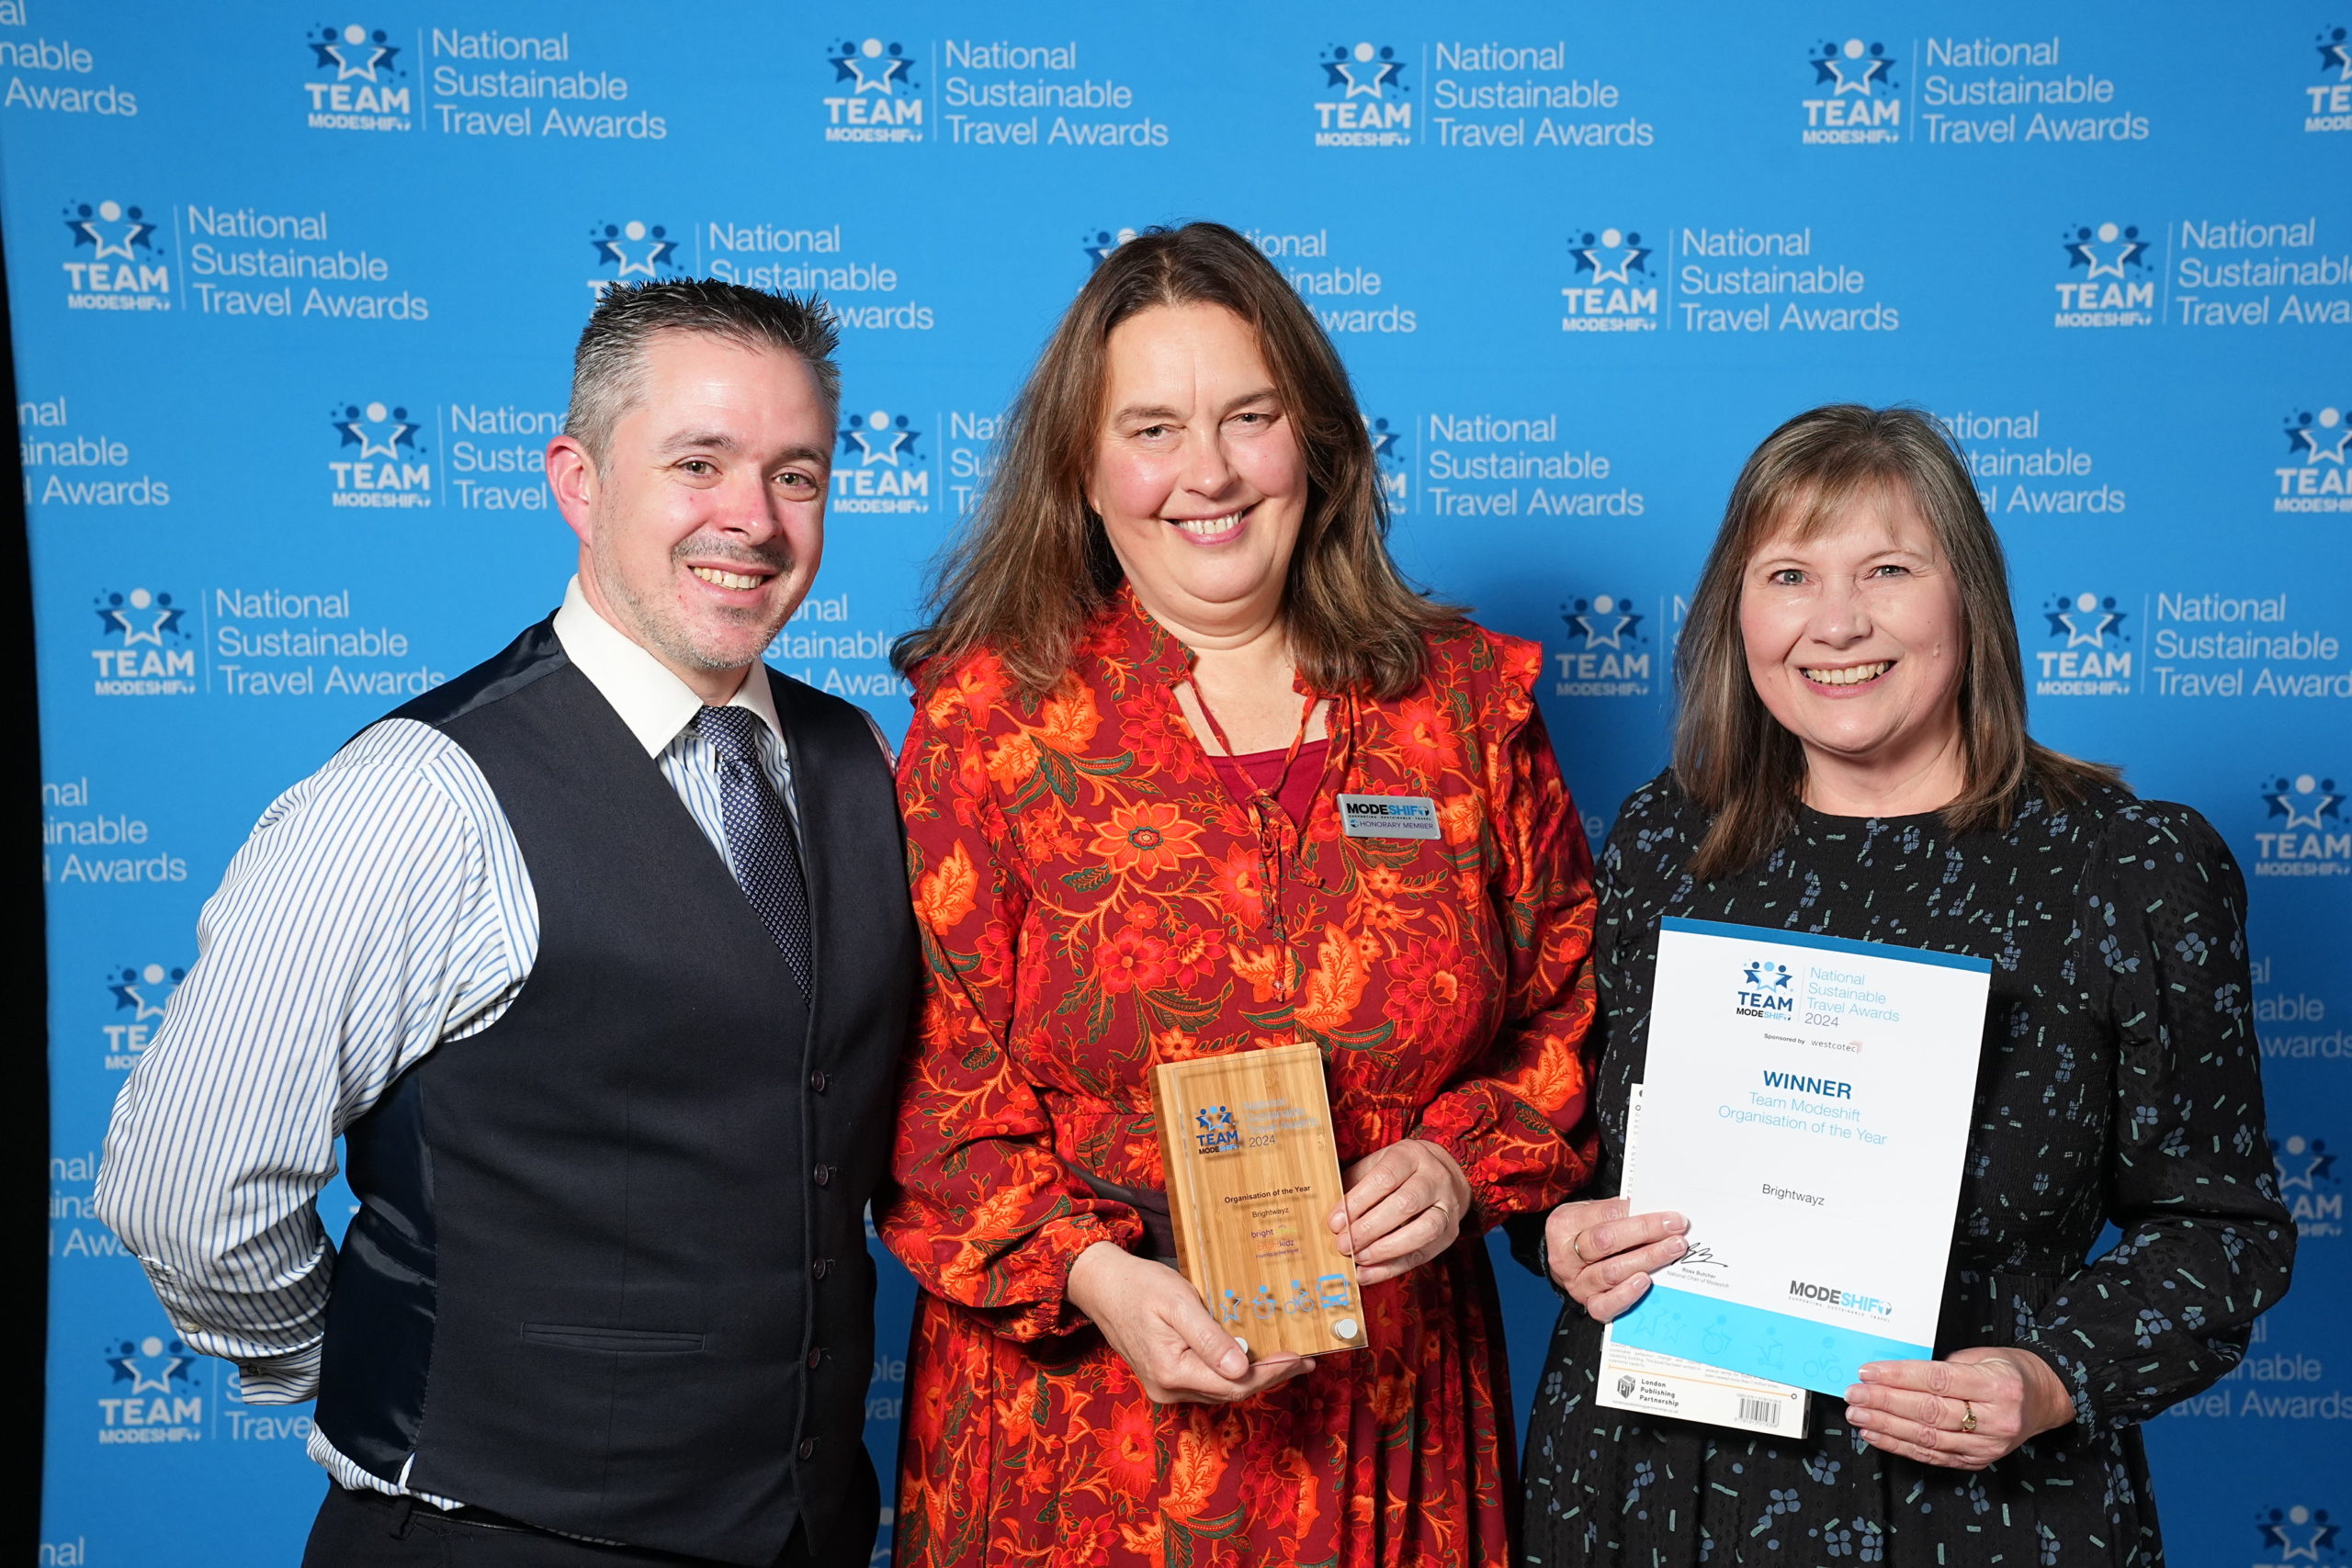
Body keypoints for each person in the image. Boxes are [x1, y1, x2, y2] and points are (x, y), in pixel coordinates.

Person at [96, 280, 915, 1568]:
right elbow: (185, 1188)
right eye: (698, 462)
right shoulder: (416, 797)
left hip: (805, 1533)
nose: (751, 520)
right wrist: (390, 1360)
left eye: (796, 474)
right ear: (579, 481)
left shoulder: (861, 763)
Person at [877, 221, 1599, 1568]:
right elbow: (927, 1087)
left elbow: (1563, 1017)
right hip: (1076, 1429)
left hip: (1394, 1421)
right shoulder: (991, 723)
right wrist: (1095, 1275)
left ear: (1313, 443)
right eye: (1151, 427)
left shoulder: (1462, 706)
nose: (1205, 472)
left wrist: (1457, 1160)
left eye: (1247, 416)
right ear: (1082, 471)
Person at [1511, 404, 2295, 1565]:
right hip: (1651, 1484)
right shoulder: (1663, 842)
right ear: (1738, 612)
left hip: (1972, 1502)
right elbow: (1554, 1139)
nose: (1836, 623)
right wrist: (1556, 1231)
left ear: (1966, 596)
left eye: (1887, 568)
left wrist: (2049, 1375)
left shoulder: (2126, 868)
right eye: (1788, 574)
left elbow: (2219, 1232)